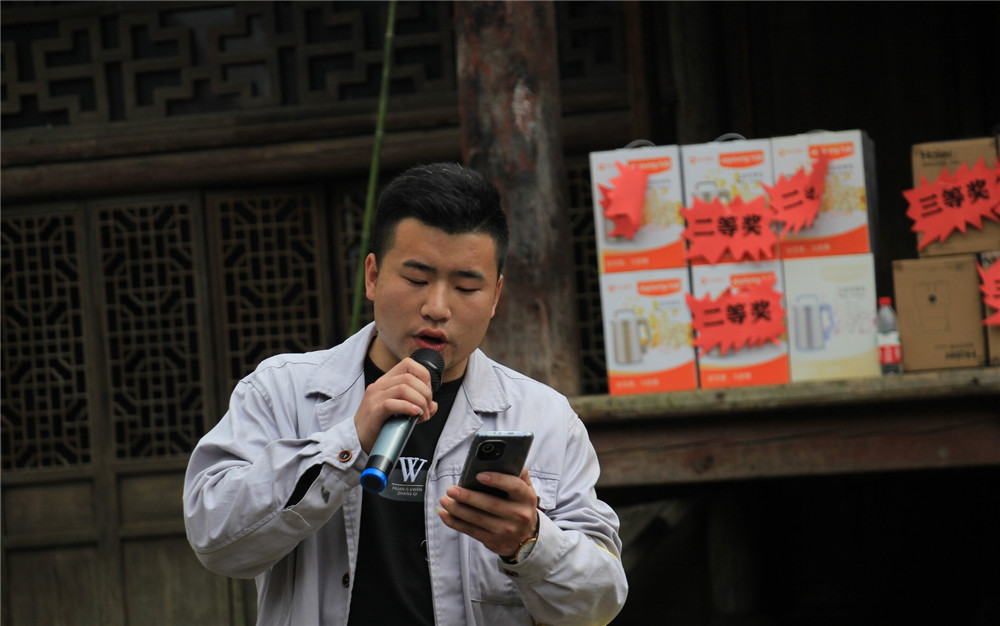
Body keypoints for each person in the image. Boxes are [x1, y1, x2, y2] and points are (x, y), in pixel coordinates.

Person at [183, 162, 628, 625]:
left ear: (496, 296)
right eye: (416, 280)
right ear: (372, 276)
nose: (437, 307)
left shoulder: (544, 417)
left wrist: (530, 542)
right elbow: (215, 541)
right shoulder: (282, 391)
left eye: (466, 286)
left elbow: (599, 604)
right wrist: (347, 442)